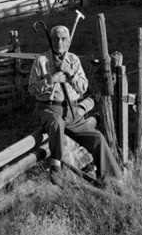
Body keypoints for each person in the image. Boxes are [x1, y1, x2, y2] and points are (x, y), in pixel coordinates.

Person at [28, 24, 121, 182]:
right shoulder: (41, 60)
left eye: (63, 39)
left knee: (97, 138)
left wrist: (70, 73)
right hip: (47, 110)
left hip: (71, 113)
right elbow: (31, 89)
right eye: (56, 38)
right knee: (56, 122)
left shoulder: (73, 60)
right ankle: (55, 167)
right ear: (51, 41)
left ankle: (109, 178)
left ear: (69, 42)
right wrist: (49, 81)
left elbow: (83, 88)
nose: (59, 42)